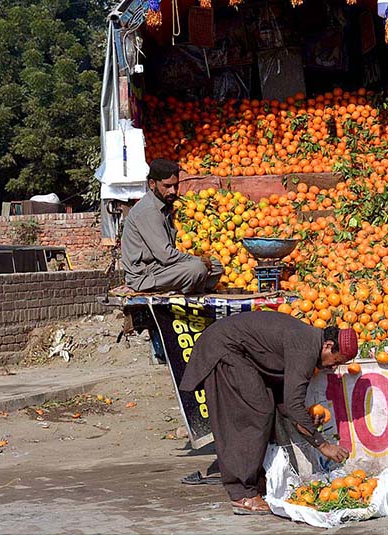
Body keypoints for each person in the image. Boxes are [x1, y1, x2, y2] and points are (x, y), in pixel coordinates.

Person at [179, 311, 357, 515]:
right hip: (224, 349)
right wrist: (323, 445)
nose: (334, 367)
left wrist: (303, 419)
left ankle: (247, 476)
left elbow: (287, 400)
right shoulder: (306, 349)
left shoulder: (309, 341)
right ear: (328, 346)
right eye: (336, 360)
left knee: (266, 404)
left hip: (236, 352)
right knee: (255, 412)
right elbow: (292, 404)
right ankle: (242, 494)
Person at [121, 159, 222, 294]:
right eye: (167, 186)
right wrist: (197, 260)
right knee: (197, 268)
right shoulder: (148, 210)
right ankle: (188, 288)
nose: (173, 191)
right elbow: (165, 256)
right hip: (145, 275)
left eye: (175, 186)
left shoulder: (163, 206)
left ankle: (188, 286)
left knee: (216, 266)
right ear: (152, 184)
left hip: (162, 268)